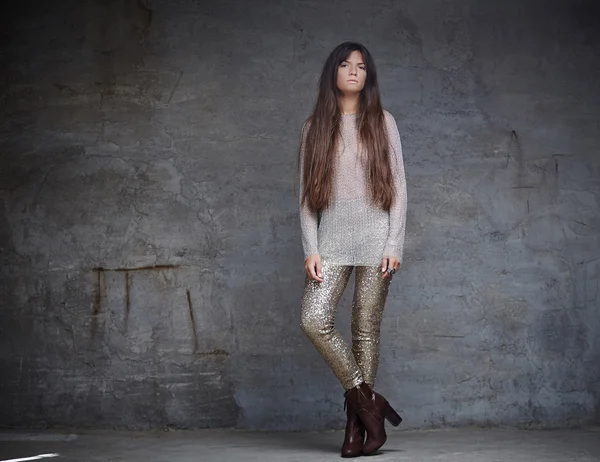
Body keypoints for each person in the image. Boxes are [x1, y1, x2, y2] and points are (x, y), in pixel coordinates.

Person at [297, 41, 407, 458]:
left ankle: (355, 431)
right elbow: (307, 198)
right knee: (313, 318)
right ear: (334, 74)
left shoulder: (384, 122)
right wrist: (312, 248)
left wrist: (394, 243)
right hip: (332, 244)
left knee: (365, 329)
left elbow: (399, 190)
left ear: (368, 75)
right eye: (345, 65)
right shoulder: (314, 128)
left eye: (361, 66)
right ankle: (370, 404)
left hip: (378, 243)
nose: (354, 71)